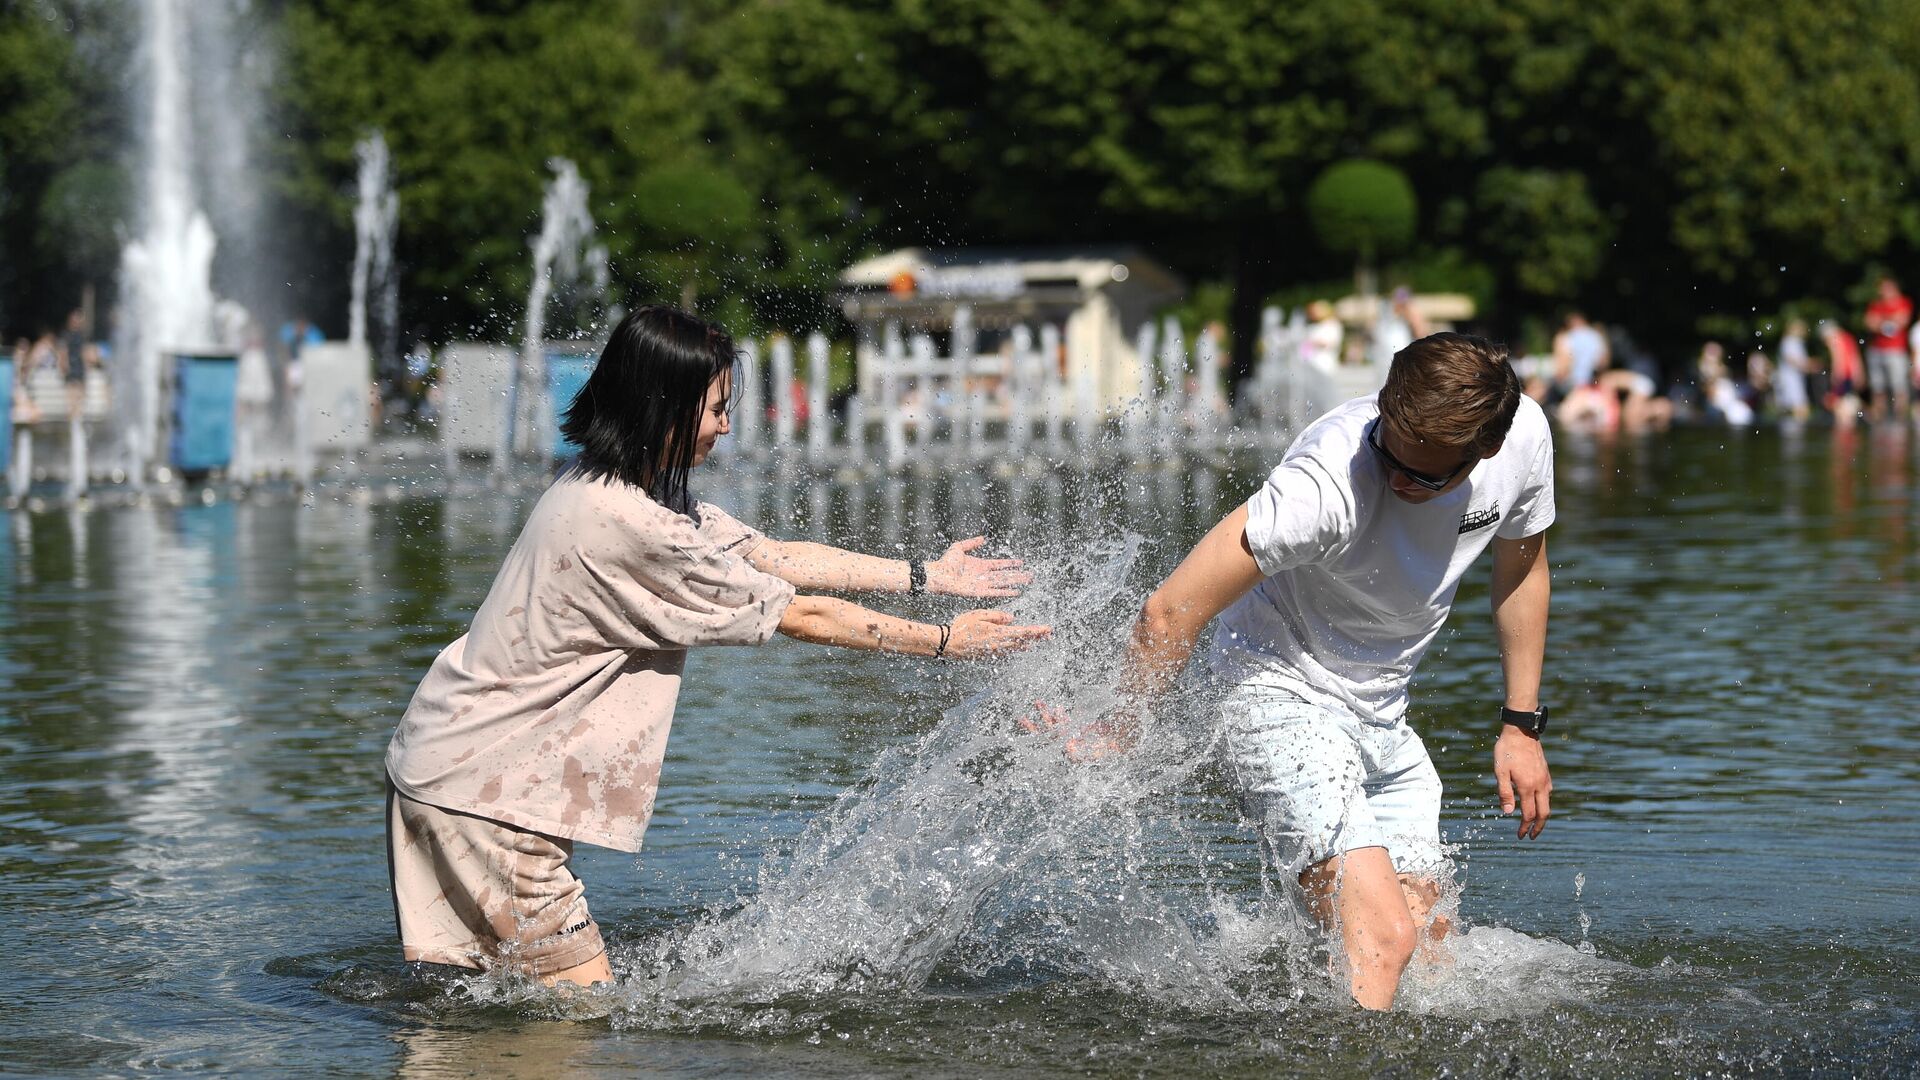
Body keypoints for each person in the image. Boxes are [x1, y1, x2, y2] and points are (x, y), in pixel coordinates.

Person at [383, 306, 1051, 989]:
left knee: (467, 1014)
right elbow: (799, 614)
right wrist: (945, 640)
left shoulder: (616, 481)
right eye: (716, 409)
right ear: (661, 406)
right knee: (582, 1018)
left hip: (447, 769)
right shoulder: (628, 524)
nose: (727, 427)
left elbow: (772, 556)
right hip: (489, 800)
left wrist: (921, 577)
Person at [1041, 332, 1555, 1010]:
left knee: (1428, 954)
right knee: (1381, 939)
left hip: (1382, 717)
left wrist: (1520, 727)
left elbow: (1522, 570)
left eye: (1425, 478)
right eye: (1389, 454)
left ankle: (1300, 1027)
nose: (1398, 481)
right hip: (1271, 687)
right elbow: (1167, 611)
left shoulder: (1523, 440)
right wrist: (1122, 725)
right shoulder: (1323, 486)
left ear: (1485, 449)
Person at [1862, 277, 1911, 422]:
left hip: (1896, 351)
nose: (1881, 291)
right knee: (1878, 387)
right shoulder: (1875, 304)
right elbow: (1869, 323)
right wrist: (1888, 321)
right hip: (1876, 350)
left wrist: (1881, 321)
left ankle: (1900, 417)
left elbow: (1901, 321)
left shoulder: (1903, 302)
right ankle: (1879, 417)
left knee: (1899, 386)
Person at [1550, 312, 1608, 402]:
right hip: (1591, 386)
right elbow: (1602, 363)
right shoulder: (1596, 336)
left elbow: (1563, 369)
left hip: (1572, 387)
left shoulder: (1566, 337)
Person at [1776, 320, 1813, 423]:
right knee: (1800, 408)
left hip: (1795, 379)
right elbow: (1791, 359)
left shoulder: (1796, 342)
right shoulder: (1789, 341)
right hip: (1791, 379)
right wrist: (1808, 365)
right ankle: (1796, 434)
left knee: (1796, 408)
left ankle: (1793, 432)